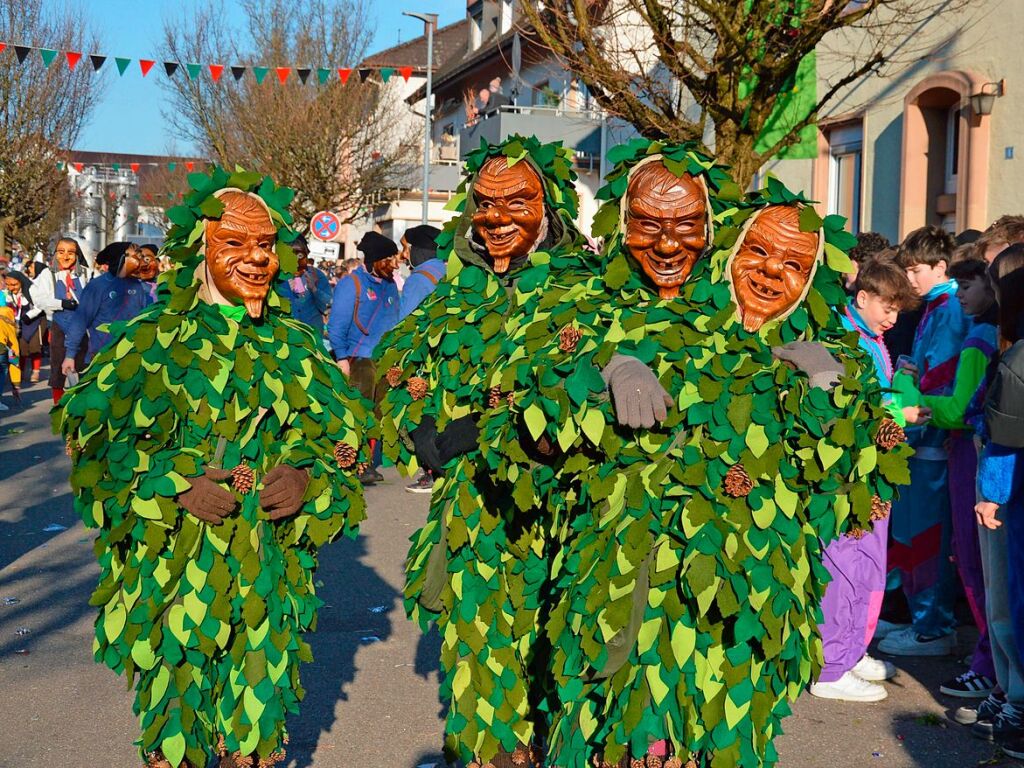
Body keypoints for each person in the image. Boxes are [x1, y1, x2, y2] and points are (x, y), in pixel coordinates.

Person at [54, 168, 370, 768]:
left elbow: (343, 437)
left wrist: (307, 475)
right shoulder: (147, 341)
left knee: (253, 719)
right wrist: (174, 482)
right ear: (199, 253)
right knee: (178, 709)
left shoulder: (296, 343)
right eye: (235, 244)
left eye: (265, 245)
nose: (256, 259)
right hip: (174, 564)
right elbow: (92, 441)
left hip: (266, 564)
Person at [375, 137, 595, 767]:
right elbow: (401, 371)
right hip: (475, 518)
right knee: (483, 654)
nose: (497, 218)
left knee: (561, 659)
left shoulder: (582, 297)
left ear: (549, 211)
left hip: (561, 517)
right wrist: (415, 423)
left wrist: (494, 427)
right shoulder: (452, 293)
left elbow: (592, 391)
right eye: (485, 204)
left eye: (517, 203)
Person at [809, 258, 920, 702]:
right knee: (846, 563)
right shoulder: (847, 340)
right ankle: (831, 667)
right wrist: (899, 414)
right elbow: (850, 408)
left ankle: (850, 650)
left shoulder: (869, 336)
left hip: (871, 471)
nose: (893, 318)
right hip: (852, 475)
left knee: (866, 564)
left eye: (898, 310)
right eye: (888, 307)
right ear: (863, 298)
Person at [901, 257, 1000, 697]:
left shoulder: (977, 334)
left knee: (976, 561)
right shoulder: (974, 325)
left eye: (969, 284)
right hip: (964, 448)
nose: (960, 294)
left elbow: (960, 405)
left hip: (966, 450)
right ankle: (992, 663)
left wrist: (915, 399)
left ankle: (988, 666)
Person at [880, 226, 973, 656]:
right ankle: (921, 619)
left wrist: (913, 397)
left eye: (915, 270)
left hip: (933, 437)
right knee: (913, 535)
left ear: (940, 266)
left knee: (929, 538)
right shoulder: (936, 306)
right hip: (920, 434)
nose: (909, 279)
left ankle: (933, 627)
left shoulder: (951, 308)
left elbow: (944, 377)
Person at [973, 246, 1024, 755]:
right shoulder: (1007, 345)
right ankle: (1008, 686)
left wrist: (991, 493)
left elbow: (1007, 434)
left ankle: (1018, 697)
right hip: (1005, 483)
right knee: (1001, 596)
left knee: (1009, 596)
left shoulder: (1016, 355)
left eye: (991, 284)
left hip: (1008, 490)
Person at [328, 231, 400, 485]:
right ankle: (355, 464)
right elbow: (336, 324)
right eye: (388, 260)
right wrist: (342, 358)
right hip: (359, 360)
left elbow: (396, 319)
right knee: (358, 413)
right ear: (373, 261)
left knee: (378, 415)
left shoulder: (390, 284)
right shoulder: (352, 284)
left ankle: (368, 461)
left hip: (383, 360)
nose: (394, 265)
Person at [61, 242, 157, 376]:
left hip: (131, 360)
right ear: (121, 258)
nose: (139, 260)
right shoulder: (98, 286)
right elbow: (80, 320)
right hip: (101, 359)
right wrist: (70, 355)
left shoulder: (139, 287)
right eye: (134, 255)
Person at [30, 237, 91, 403]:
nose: (65, 256)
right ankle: (59, 406)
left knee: (83, 366)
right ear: (55, 254)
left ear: (77, 255)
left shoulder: (87, 273)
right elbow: (38, 299)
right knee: (57, 367)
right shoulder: (48, 274)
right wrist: (61, 303)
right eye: (61, 252)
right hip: (59, 325)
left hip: (83, 327)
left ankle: (80, 406)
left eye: (70, 253)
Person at [278, 234, 332, 339]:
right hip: (287, 335)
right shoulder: (278, 276)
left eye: (300, 255)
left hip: (312, 335)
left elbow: (327, 306)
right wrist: (288, 292)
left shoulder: (317, 275)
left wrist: (314, 290)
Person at [3, 270, 46, 384]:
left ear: (21, 282)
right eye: (8, 284)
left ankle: (35, 371)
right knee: (20, 347)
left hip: (35, 319)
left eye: (14, 285)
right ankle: (20, 371)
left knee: (34, 346)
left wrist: (28, 316)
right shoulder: (8, 293)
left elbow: (40, 306)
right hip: (20, 321)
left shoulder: (32, 289)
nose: (11, 287)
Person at [0, 304, 19, 411]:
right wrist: (16, 384)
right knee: (2, 371)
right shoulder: (8, 325)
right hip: (1, 348)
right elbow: (14, 353)